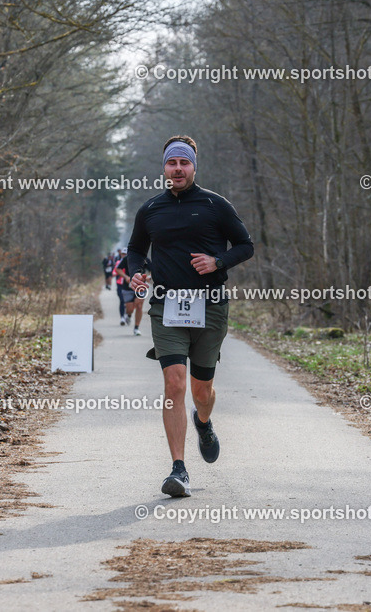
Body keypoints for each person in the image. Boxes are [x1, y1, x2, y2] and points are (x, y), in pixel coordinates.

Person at [126, 135, 253, 497]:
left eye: (184, 163)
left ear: (194, 167)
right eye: (172, 163)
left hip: (210, 307)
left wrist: (218, 261)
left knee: (201, 391)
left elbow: (246, 245)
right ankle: (178, 469)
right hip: (166, 307)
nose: (177, 169)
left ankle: (204, 421)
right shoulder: (150, 209)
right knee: (175, 384)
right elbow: (135, 249)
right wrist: (136, 271)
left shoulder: (216, 205)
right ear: (163, 167)